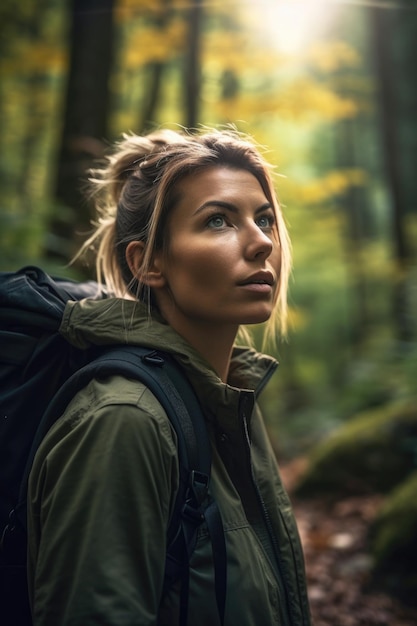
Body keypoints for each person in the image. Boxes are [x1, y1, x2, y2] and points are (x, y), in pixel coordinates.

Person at [27, 127, 311, 625]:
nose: (262, 242)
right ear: (149, 262)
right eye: (219, 221)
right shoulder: (125, 421)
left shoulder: (230, 399)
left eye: (263, 218)